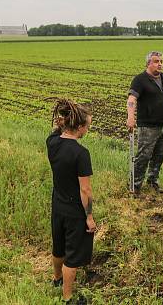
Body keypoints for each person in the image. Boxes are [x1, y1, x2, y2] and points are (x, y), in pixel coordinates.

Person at [47, 99, 96, 304]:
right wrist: (90, 217)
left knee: (58, 247)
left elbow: (56, 128)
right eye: (87, 125)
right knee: (72, 257)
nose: (88, 129)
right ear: (79, 127)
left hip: (58, 203)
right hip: (75, 209)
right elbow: (85, 190)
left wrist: (63, 118)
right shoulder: (81, 154)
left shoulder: (52, 142)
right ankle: (68, 298)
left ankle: (56, 278)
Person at [127, 51, 163, 194]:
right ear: (148, 63)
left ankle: (153, 181)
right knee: (144, 156)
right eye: (156, 61)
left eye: (161, 61)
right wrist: (130, 117)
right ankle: (135, 185)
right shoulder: (140, 80)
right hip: (148, 126)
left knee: (159, 156)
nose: (159, 64)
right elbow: (131, 99)